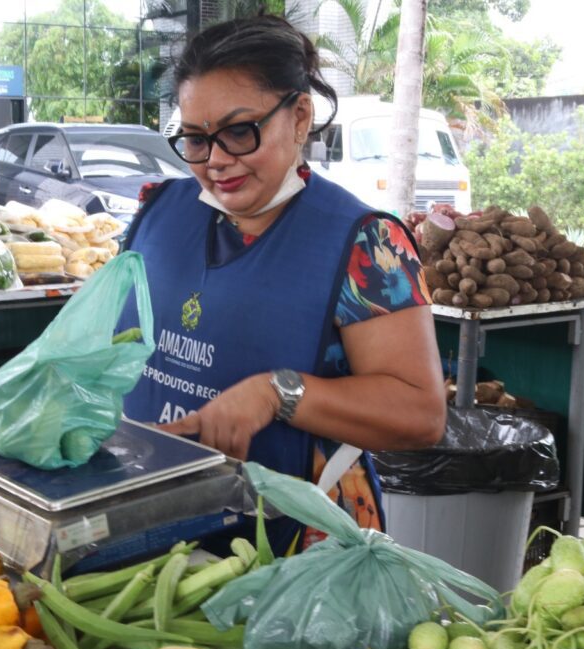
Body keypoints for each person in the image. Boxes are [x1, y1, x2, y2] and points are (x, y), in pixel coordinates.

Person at [116, 15, 446, 553]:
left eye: (239, 131)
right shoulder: (157, 213)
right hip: (152, 524)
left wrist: (276, 394)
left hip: (298, 544)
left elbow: (421, 414)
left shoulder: (368, 246)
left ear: (299, 116)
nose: (217, 161)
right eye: (196, 140)